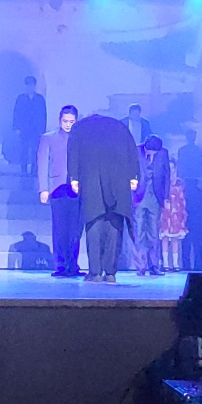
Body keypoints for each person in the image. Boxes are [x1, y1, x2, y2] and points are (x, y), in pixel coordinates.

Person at [68, 113, 140, 283]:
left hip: (91, 181)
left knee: (93, 221)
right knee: (115, 224)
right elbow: (132, 153)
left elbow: (73, 153)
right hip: (119, 182)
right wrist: (134, 176)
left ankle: (95, 272)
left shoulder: (80, 128)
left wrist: (74, 177)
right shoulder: (120, 127)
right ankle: (110, 272)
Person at [38, 105, 81, 277]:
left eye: (71, 122)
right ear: (59, 120)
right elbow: (42, 164)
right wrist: (43, 188)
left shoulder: (81, 139)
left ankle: (73, 264)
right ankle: (61, 264)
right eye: (65, 121)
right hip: (57, 187)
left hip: (77, 189)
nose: (68, 125)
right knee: (60, 228)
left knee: (75, 229)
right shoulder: (48, 138)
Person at [132, 134, 171, 276]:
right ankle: (141, 266)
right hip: (138, 197)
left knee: (154, 233)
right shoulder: (136, 151)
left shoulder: (163, 153)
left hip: (155, 197)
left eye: (155, 153)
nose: (153, 155)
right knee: (138, 233)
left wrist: (165, 197)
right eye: (151, 152)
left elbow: (166, 175)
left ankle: (154, 266)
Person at [175, 129, 202, 270]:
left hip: (196, 210)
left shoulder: (198, 150)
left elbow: (201, 167)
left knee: (197, 239)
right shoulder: (182, 151)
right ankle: (187, 264)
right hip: (186, 204)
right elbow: (180, 167)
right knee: (186, 239)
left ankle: (198, 265)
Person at [12, 76, 47, 178]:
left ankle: (34, 171)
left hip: (36, 130)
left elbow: (43, 115)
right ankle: (23, 170)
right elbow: (16, 113)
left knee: (35, 150)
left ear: (34, 86)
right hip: (24, 129)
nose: (30, 87)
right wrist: (16, 127)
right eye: (28, 85)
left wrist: (42, 130)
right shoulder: (21, 99)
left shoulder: (40, 99)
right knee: (24, 150)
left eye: (31, 85)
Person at [159, 172, 188, 272]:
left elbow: (182, 200)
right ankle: (165, 263)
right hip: (165, 213)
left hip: (176, 213)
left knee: (175, 238)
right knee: (165, 237)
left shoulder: (179, 185)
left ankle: (176, 263)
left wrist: (182, 213)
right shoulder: (163, 184)